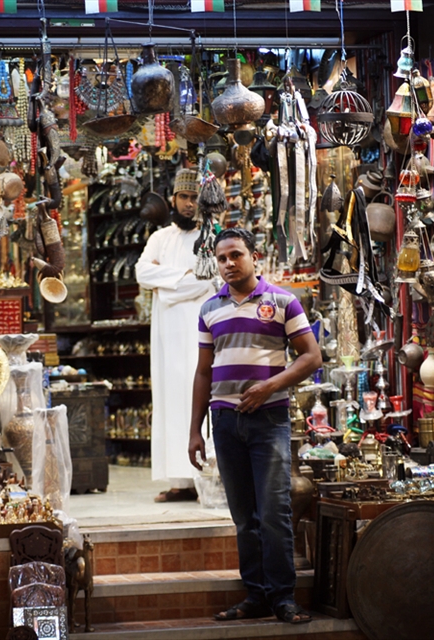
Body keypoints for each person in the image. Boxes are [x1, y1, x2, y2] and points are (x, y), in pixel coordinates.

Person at [189, 227, 321, 624]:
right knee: (244, 516)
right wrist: (195, 430)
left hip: (268, 419)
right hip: (225, 421)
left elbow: (311, 357)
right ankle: (256, 596)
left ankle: (283, 598)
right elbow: (202, 372)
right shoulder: (209, 308)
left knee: (274, 512)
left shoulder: (282, 301)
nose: (229, 264)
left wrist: (270, 386)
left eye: (236, 255)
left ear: (254, 256)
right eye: (222, 258)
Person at [136, 167, 217, 502]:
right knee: (171, 399)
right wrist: (184, 278)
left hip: (199, 330)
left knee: (199, 399)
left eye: (194, 198)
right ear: (174, 199)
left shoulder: (210, 238)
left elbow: (207, 280)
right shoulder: (159, 238)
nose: (189, 204)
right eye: (184, 197)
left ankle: (207, 479)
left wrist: (166, 287)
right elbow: (142, 272)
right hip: (167, 336)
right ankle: (179, 483)